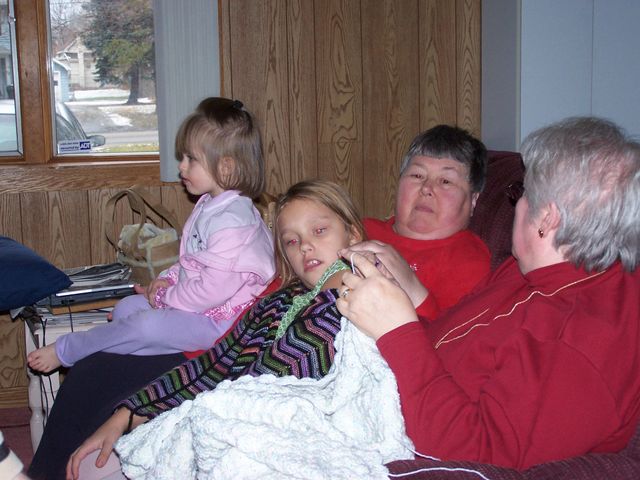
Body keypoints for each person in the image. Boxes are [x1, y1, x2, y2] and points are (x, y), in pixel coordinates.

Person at [337, 116, 640, 469]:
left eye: (523, 193)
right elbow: (449, 337)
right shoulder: (526, 269)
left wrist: (397, 330)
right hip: (382, 393)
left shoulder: (580, 344)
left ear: (547, 219)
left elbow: (481, 458)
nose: (516, 204)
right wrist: (395, 310)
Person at [60, 179, 366, 479]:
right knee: (91, 463)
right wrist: (128, 414)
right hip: (219, 420)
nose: (306, 246)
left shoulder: (362, 303)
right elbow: (214, 364)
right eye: (291, 241)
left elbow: (280, 383)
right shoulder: (276, 303)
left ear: (352, 235)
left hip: (269, 441)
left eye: (319, 230)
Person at [27, 98, 276, 374]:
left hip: (223, 324)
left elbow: (211, 292)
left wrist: (164, 297)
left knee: (144, 325)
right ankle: (122, 355)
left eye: (191, 159)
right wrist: (166, 279)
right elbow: (193, 262)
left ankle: (68, 349)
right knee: (125, 309)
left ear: (225, 167)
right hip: (200, 308)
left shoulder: (233, 222)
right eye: (183, 157)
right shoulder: (211, 204)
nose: (182, 167)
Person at [353, 125, 491, 322]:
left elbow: (448, 335)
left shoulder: (469, 261)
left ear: (473, 201)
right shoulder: (359, 231)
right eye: (417, 175)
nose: (426, 188)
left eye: (445, 181)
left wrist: (409, 283)